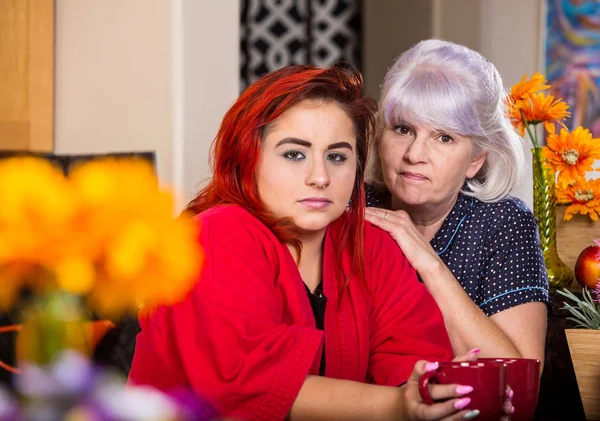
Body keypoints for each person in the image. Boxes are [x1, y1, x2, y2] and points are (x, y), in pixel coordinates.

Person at [128, 65, 490, 421]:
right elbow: (251, 385)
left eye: (336, 156)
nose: (319, 177)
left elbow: (417, 364)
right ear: (248, 157)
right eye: (294, 154)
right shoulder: (214, 236)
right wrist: (399, 407)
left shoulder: (374, 246)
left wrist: (434, 394)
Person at [365, 39, 549, 364]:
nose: (414, 154)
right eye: (403, 129)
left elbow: (519, 381)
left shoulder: (504, 223)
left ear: (476, 159)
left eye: (444, 137)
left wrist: (428, 262)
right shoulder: (354, 205)